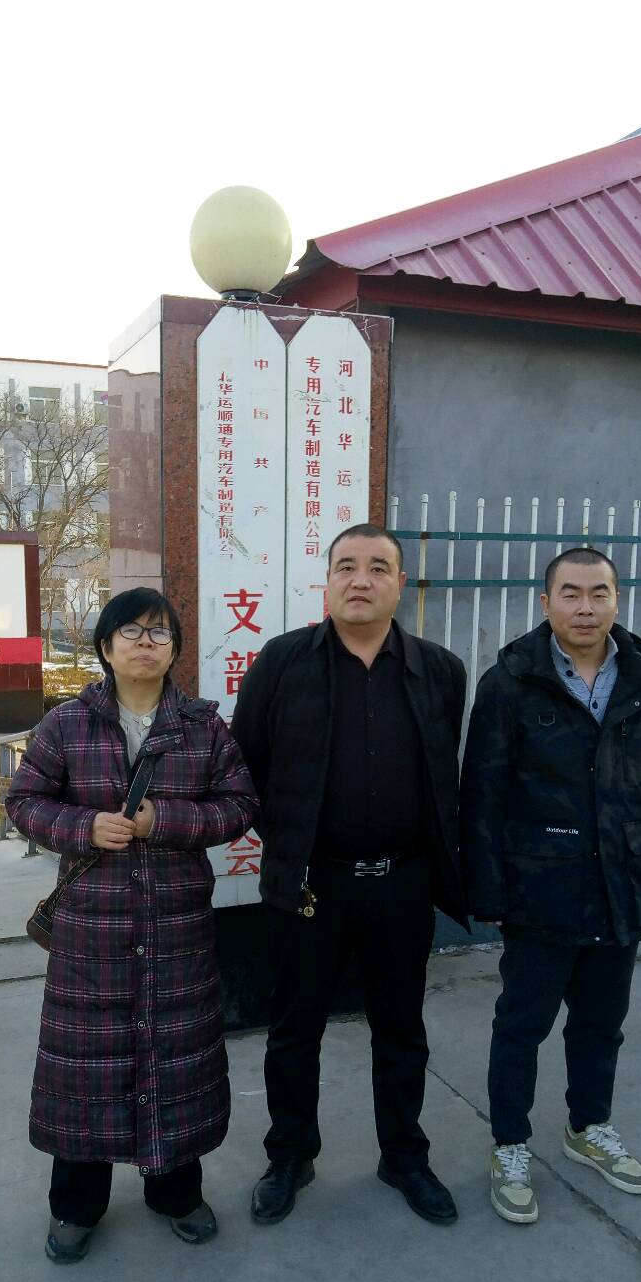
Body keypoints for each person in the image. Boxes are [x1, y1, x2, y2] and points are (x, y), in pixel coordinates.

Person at [5, 588, 258, 1262]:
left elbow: (239, 805)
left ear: (175, 649)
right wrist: (83, 826)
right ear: (106, 646)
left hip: (177, 928)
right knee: (85, 1071)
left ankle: (175, 1194)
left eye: (160, 632)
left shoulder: (202, 728)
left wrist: (162, 821)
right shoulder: (66, 724)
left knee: (175, 1063)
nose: (146, 643)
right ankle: (75, 1205)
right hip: (92, 932)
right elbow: (23, 801)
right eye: (131, 631)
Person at [460, 547, 641, 1225]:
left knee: (601, 1023)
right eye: (570, 593)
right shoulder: (511, 682)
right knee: (522, 1025)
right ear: (546, 603)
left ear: (616, 600)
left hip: (621, 883)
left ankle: (588, 1126)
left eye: (599, 593)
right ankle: (511, 1144)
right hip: (539, 888)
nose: (586, 607)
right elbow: (483, 792)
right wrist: (487, 889)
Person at [231, 525, 467, 1227]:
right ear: (328, 580)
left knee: (401, 1029)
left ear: (400, 583)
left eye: (378, 567)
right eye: (346, 566)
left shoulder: (439, 670)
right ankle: (290, 1156)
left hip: (403, 884)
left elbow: (443, 773)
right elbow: (247, 765)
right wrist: (291, 844)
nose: (361, 580)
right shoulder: (283, 663)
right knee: (293, 1030)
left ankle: (405, 1157)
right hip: (311, 885)